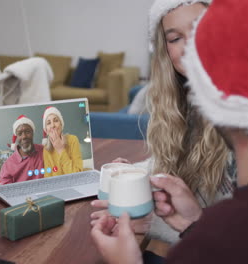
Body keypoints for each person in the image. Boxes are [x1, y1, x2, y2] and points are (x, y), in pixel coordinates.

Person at [91, 0, 248, 262]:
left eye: (202, 32)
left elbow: (226, 243)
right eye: (176, 38)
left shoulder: (220, 235)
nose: (192, 49)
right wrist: (194, 223)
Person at [91, 0, 236, 243]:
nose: (189, 45)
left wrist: (148, 224)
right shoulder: (185, 106)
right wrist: (133, 174)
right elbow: (171, 168)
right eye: (174, 38)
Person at [0, 115, 44, 184]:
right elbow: (7, 192)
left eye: (27, 132)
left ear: (33, 133)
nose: (24, 137)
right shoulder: (8, 166)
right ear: (17, 137)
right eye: (20, 134)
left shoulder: (44, 150)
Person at [42, 106, 83, 177]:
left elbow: (77, 175)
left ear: (61, 124)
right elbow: (48, 177)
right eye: (48, 123)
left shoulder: (73, 140)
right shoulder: (46, 150)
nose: (52, 125)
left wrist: (60, 149)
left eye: (55, 120)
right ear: (46, 130)